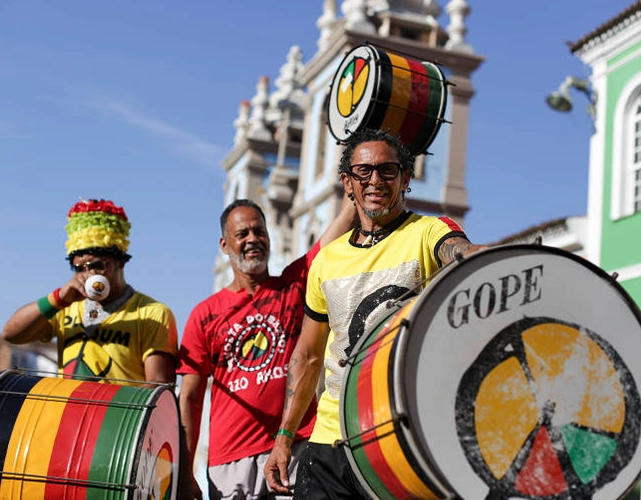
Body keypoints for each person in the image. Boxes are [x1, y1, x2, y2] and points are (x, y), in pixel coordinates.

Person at [264, 128, 487, 499]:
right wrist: (284, 436)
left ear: (406, 177)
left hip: (400, 441)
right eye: (363, 172)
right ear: (347, 183)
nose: (375, 181)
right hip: (328, 446)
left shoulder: (428, 231)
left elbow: (457, 249)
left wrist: (482, 257)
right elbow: (308, 357)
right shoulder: (327, 260)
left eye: (387, 170)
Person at [177, 196, 357, 500]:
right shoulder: (204, 314)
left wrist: (353, 175)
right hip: (229, 461)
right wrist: (184, 472)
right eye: (242, 234)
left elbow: (344, 222)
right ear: (224, 245)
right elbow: (191, 398)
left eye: (259, 231)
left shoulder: (293, 285)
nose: (253, 240)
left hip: (295, 447)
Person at [1, 198, 178, 385]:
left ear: (120, 262)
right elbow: (11, 334)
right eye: (78, 268)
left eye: (96, 265)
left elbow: (158, 384)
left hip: (117, 413)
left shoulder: (153, 313)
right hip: (69, 411)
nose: (87, 273)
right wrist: (58, 298)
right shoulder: (66, 306)